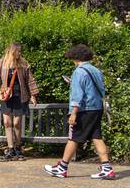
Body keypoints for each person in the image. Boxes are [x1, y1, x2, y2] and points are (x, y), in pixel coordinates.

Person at [45, 44, 115, 179]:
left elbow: (78, 95)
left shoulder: (79, 71)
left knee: (73, 138)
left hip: (84, 109)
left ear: (76, 57)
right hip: (97, 108)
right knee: (97, 136)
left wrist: (74, 113)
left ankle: (62, 167)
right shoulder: (96, 70)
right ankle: (107, 168)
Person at [0, 42, 39, 161]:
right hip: (6, 96)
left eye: (20, 51)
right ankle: (10, 149)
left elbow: (30, 80)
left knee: (16, 124)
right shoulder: (2, 63)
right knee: (7, 123)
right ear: (12, 51)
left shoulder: (23, 64)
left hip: (20, 96)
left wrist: (33, 95)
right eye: (18, 51)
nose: (20, 53)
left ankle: (18, 148)